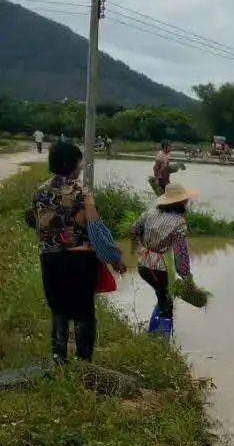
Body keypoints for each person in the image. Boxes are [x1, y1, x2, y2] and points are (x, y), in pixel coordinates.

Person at [28, 139, 125, 362]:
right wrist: (115, 259)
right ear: (70, 164)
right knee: (84, 314)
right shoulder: (82, 193)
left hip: (50, 260)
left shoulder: (39, 192)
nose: (81, 167)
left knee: (59, 310)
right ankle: (84, 363)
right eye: (79, 162)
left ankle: (59, 358)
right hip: (80, 261)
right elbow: (97, 231)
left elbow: (35, 223)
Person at [131, 179, 198, 338]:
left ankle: (153, 330)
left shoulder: (150, 212)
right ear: (180, 202)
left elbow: (134, 229)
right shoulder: (179, 222)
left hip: (143, 265)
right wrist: (188, 279)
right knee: (166, 302)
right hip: (159, 268)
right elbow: (181, 255)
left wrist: (137, 249)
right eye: (185, 199)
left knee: (162, 295)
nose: (187, 201)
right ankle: (160, 340)